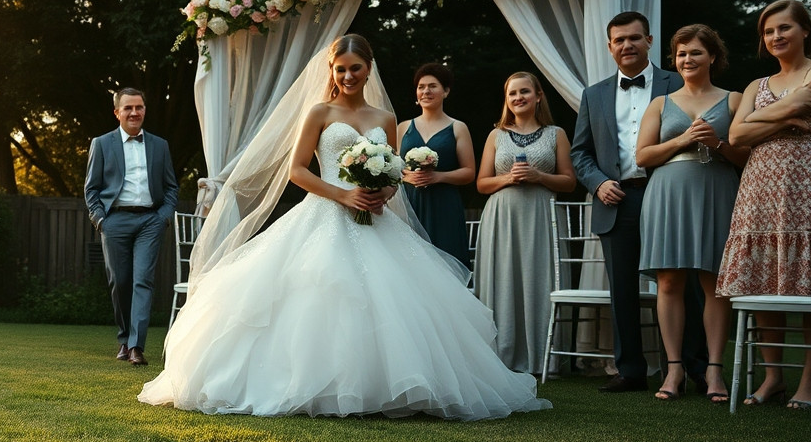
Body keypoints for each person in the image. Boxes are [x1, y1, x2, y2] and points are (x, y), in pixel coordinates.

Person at [138, 34, 550, 420]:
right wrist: (342, 195)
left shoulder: (385, 118)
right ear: (331, 71)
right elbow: (298, 170)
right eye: (341, 69)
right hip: (322, 213)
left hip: (376, 218)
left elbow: (393, 175)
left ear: (368, 69)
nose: (348, 76)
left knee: (391, 301)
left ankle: (388, 386)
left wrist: (381, 194)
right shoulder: (319, 112)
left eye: (355, 68)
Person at [571, 11, 707, 393]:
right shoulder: (593, 94)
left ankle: (691, 366)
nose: (627, 45)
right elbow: (580, 153)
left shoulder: (677, 82)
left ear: (649, 40)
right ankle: (630, 369)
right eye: (619, 40)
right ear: (610, 46)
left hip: (669, 194)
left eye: (634, 38)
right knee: (623, 290)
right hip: (617, 200)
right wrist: (598, 184)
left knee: (685, 282)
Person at [635, 25, 748, 402]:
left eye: (696, 52)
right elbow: (642, 156)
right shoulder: (661, 104)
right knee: (669, 282)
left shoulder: (733, 100)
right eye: (681, 54)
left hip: (717, 190)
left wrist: (716, 142)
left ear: (712, 57)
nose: (687, 59)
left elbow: (746, 157)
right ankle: (674, 370)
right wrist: (683, 139)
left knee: (714, 282)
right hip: (668, 192)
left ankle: (715, 372)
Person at [718, 0, 811, 410]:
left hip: (807, 182)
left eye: (784, 28)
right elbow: (736, 138)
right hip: (759, 185)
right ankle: (773, 377)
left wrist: (759, 120)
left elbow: (749, 126)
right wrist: (787, 117)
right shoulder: (753, 87)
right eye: (768, 31)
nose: (775, 36)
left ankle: (809, 384)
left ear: (805, 31)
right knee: (763, 280)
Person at [474, 72, 578, 375]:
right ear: (507, 100)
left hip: (541, 216)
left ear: (538, 96)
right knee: (504, 279)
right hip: (502, 217)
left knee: (540, 279)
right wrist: (508, 178)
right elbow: (481, 183)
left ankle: (542, 358)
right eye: (512, 94)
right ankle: (502, 354)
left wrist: (540, 176)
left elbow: (570, 181)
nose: (518, 98)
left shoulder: (556, 133)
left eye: (524, 92)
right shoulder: (496, 135)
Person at [84, 87, 179, 367]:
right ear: (117, 113)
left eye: (139, 107)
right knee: (120, 282)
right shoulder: (101, 144)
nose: (134, 113)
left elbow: (171, 186)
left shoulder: (160, 145)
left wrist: (163, 216)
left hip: (151, 220)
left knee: (143, 281)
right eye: (128, 108)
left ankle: (137, 346)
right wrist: (100, 219)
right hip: (115, 221)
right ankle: (124, 338)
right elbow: (91, 189)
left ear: (144, 110)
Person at [397, 63, 474, 269]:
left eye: (433, 86)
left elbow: (469, 172)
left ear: (446, 91)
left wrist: (439, 177)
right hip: (410, 204)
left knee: (446, 264)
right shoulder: (403, 127)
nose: (426, 91)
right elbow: (394, 167)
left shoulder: (457, 127)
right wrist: (406, 177)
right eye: (421, 87)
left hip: (444, 205)